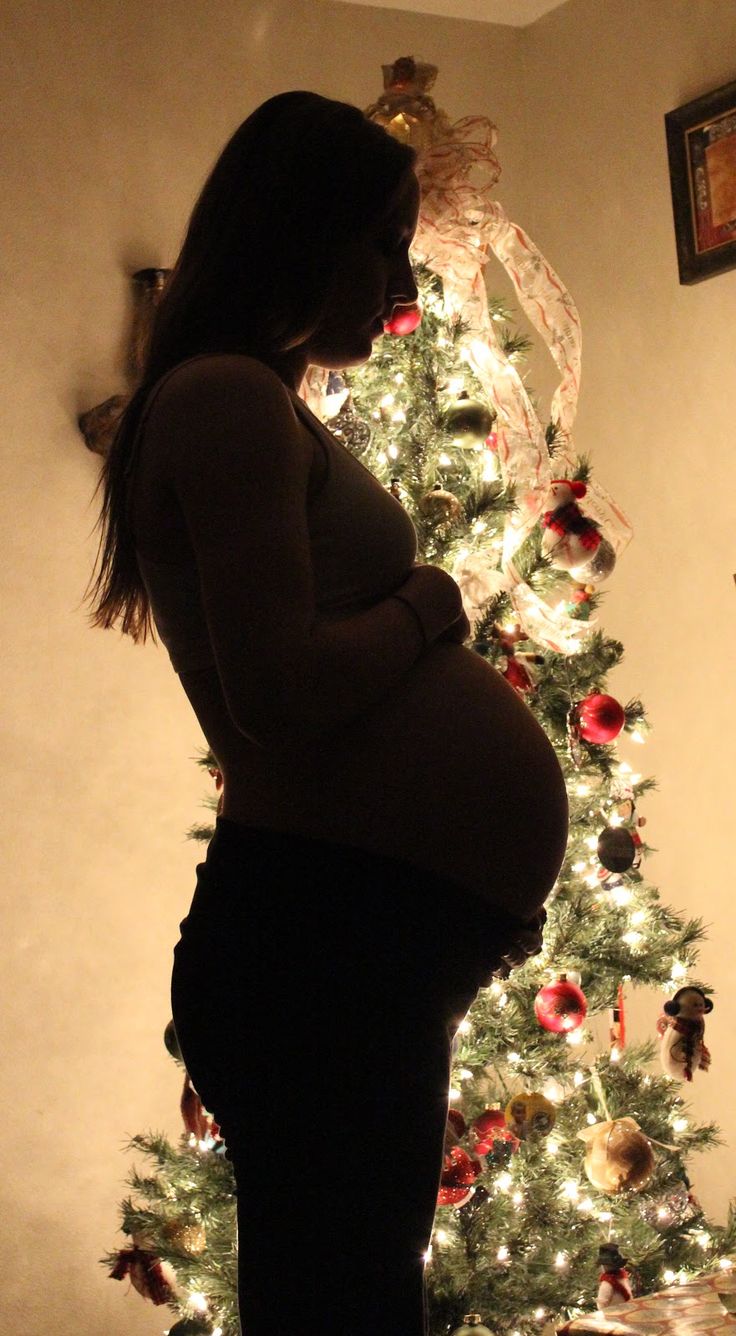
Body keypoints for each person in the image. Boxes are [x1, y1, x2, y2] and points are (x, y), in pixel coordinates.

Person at [88, 91, 568, 1336]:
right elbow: (281, 692)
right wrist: (429, 604)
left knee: (339, 1299)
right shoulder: (224, 399)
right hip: (323, 948)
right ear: (292, 230)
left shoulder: (246, 399)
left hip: (345, 942)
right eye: (379, 244)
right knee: (340, 1309)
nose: (396, 285)